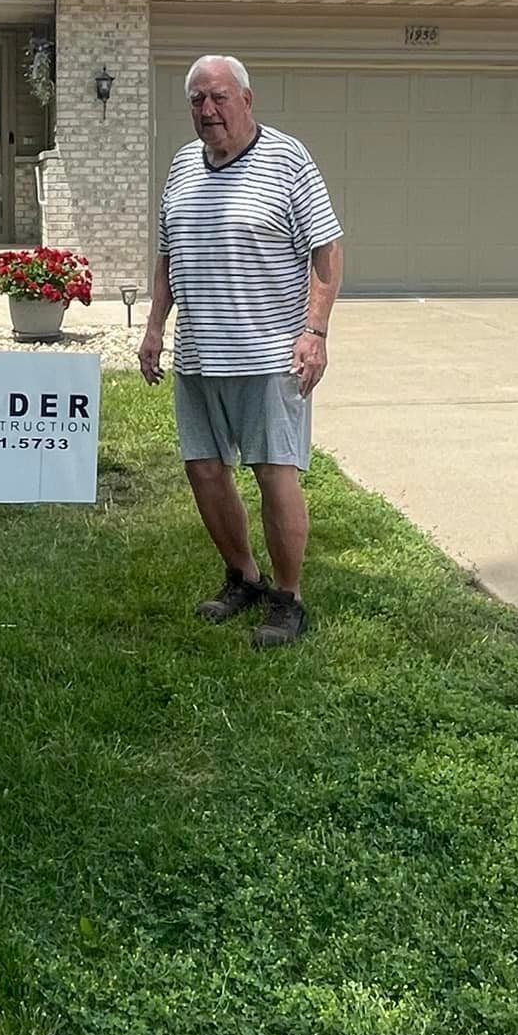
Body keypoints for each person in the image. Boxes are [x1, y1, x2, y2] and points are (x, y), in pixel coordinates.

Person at [140, 55, 343, 647]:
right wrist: (156, 328)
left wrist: (315, 332)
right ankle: (243, 577)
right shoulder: (182, 166)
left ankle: (287, 597)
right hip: (200, 356)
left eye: (219, 97)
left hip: (269, 357)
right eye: (198, 100)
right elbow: (167, 257)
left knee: (273, 474)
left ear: (247, 100)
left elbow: (326, 254)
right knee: (204, 470)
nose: (207, 110)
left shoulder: (288, 160)